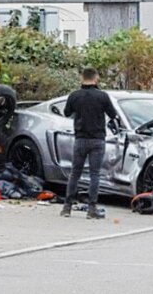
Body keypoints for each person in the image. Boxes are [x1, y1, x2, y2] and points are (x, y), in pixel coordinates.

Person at [60, 68, 119, 220]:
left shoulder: (74, 96)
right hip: (97, 139)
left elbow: (66, 113)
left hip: (80, 139)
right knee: (94, 174)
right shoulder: (102, 96)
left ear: (82, 77)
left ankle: (67, 207)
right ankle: (92, 209)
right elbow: (113, 115)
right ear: (96, 78)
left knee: (75, 173)